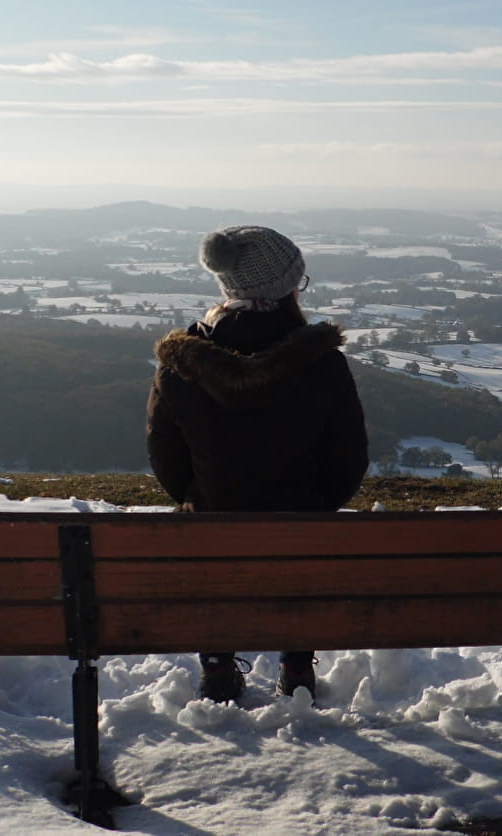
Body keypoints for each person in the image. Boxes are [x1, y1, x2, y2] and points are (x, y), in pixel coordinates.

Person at [146, 225, 368, 703]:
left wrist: (199, 495)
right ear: (286, 287)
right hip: (303, 529)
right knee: (300, 548)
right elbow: (349, 458)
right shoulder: (322, 362)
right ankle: (296, 665)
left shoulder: (181, 364)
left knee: (210, 549)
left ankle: (219, 669)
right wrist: (317, 504)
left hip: (211, 523)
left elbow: (165, 454)